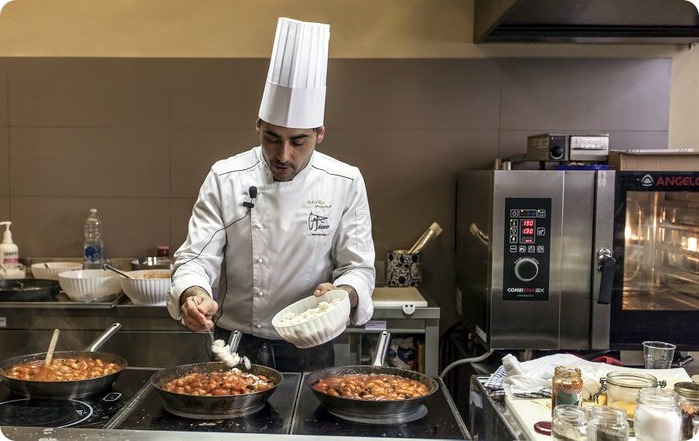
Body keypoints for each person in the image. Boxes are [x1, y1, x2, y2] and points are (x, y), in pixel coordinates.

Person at [166, 17, 376, 372]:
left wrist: (345, 293)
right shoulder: (225, 176)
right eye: (272, 138)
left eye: (298, 141)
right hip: (234, 342)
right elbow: (195, 259)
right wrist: (193, 295)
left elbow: (357, 268)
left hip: (311, 345)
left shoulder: (345, 181)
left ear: (320, 133)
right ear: (258, 126)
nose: (283, 155)